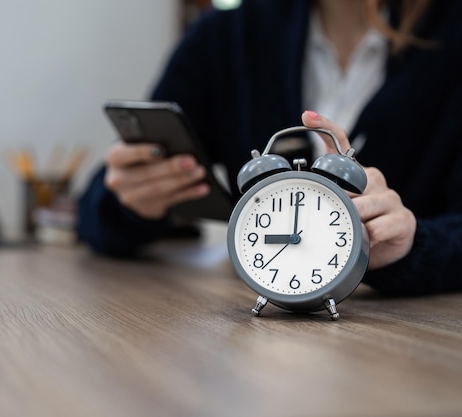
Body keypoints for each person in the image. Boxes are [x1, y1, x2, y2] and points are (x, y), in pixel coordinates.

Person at [77, 0, 462, 295]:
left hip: (406, 347)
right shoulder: (226, 39)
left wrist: (415, 248)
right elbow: (94, 211)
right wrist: (125, 202)